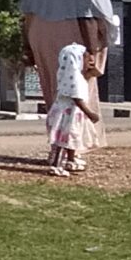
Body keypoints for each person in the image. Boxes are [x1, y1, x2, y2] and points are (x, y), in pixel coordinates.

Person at [21, 0, 118, 114]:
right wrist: (91, 52)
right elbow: (87, 18)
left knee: (52, 85)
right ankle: (78, 128)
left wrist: (28, 48)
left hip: (41, 38)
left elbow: (27, 18)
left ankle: (57, 126)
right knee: (79, 86)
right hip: (72, 37)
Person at [47, 41, 101, 175]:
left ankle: (70, 160)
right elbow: (77, 98)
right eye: (86, 58)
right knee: (63, 141)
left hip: (70, 115)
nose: (90, 60)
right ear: (77, 59)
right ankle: (56, 166)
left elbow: (87, 78)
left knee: (72, 139)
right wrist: (90, 113)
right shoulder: (74, 78)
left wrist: (91, 71)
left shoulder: (69, 75)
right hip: (67, 116)